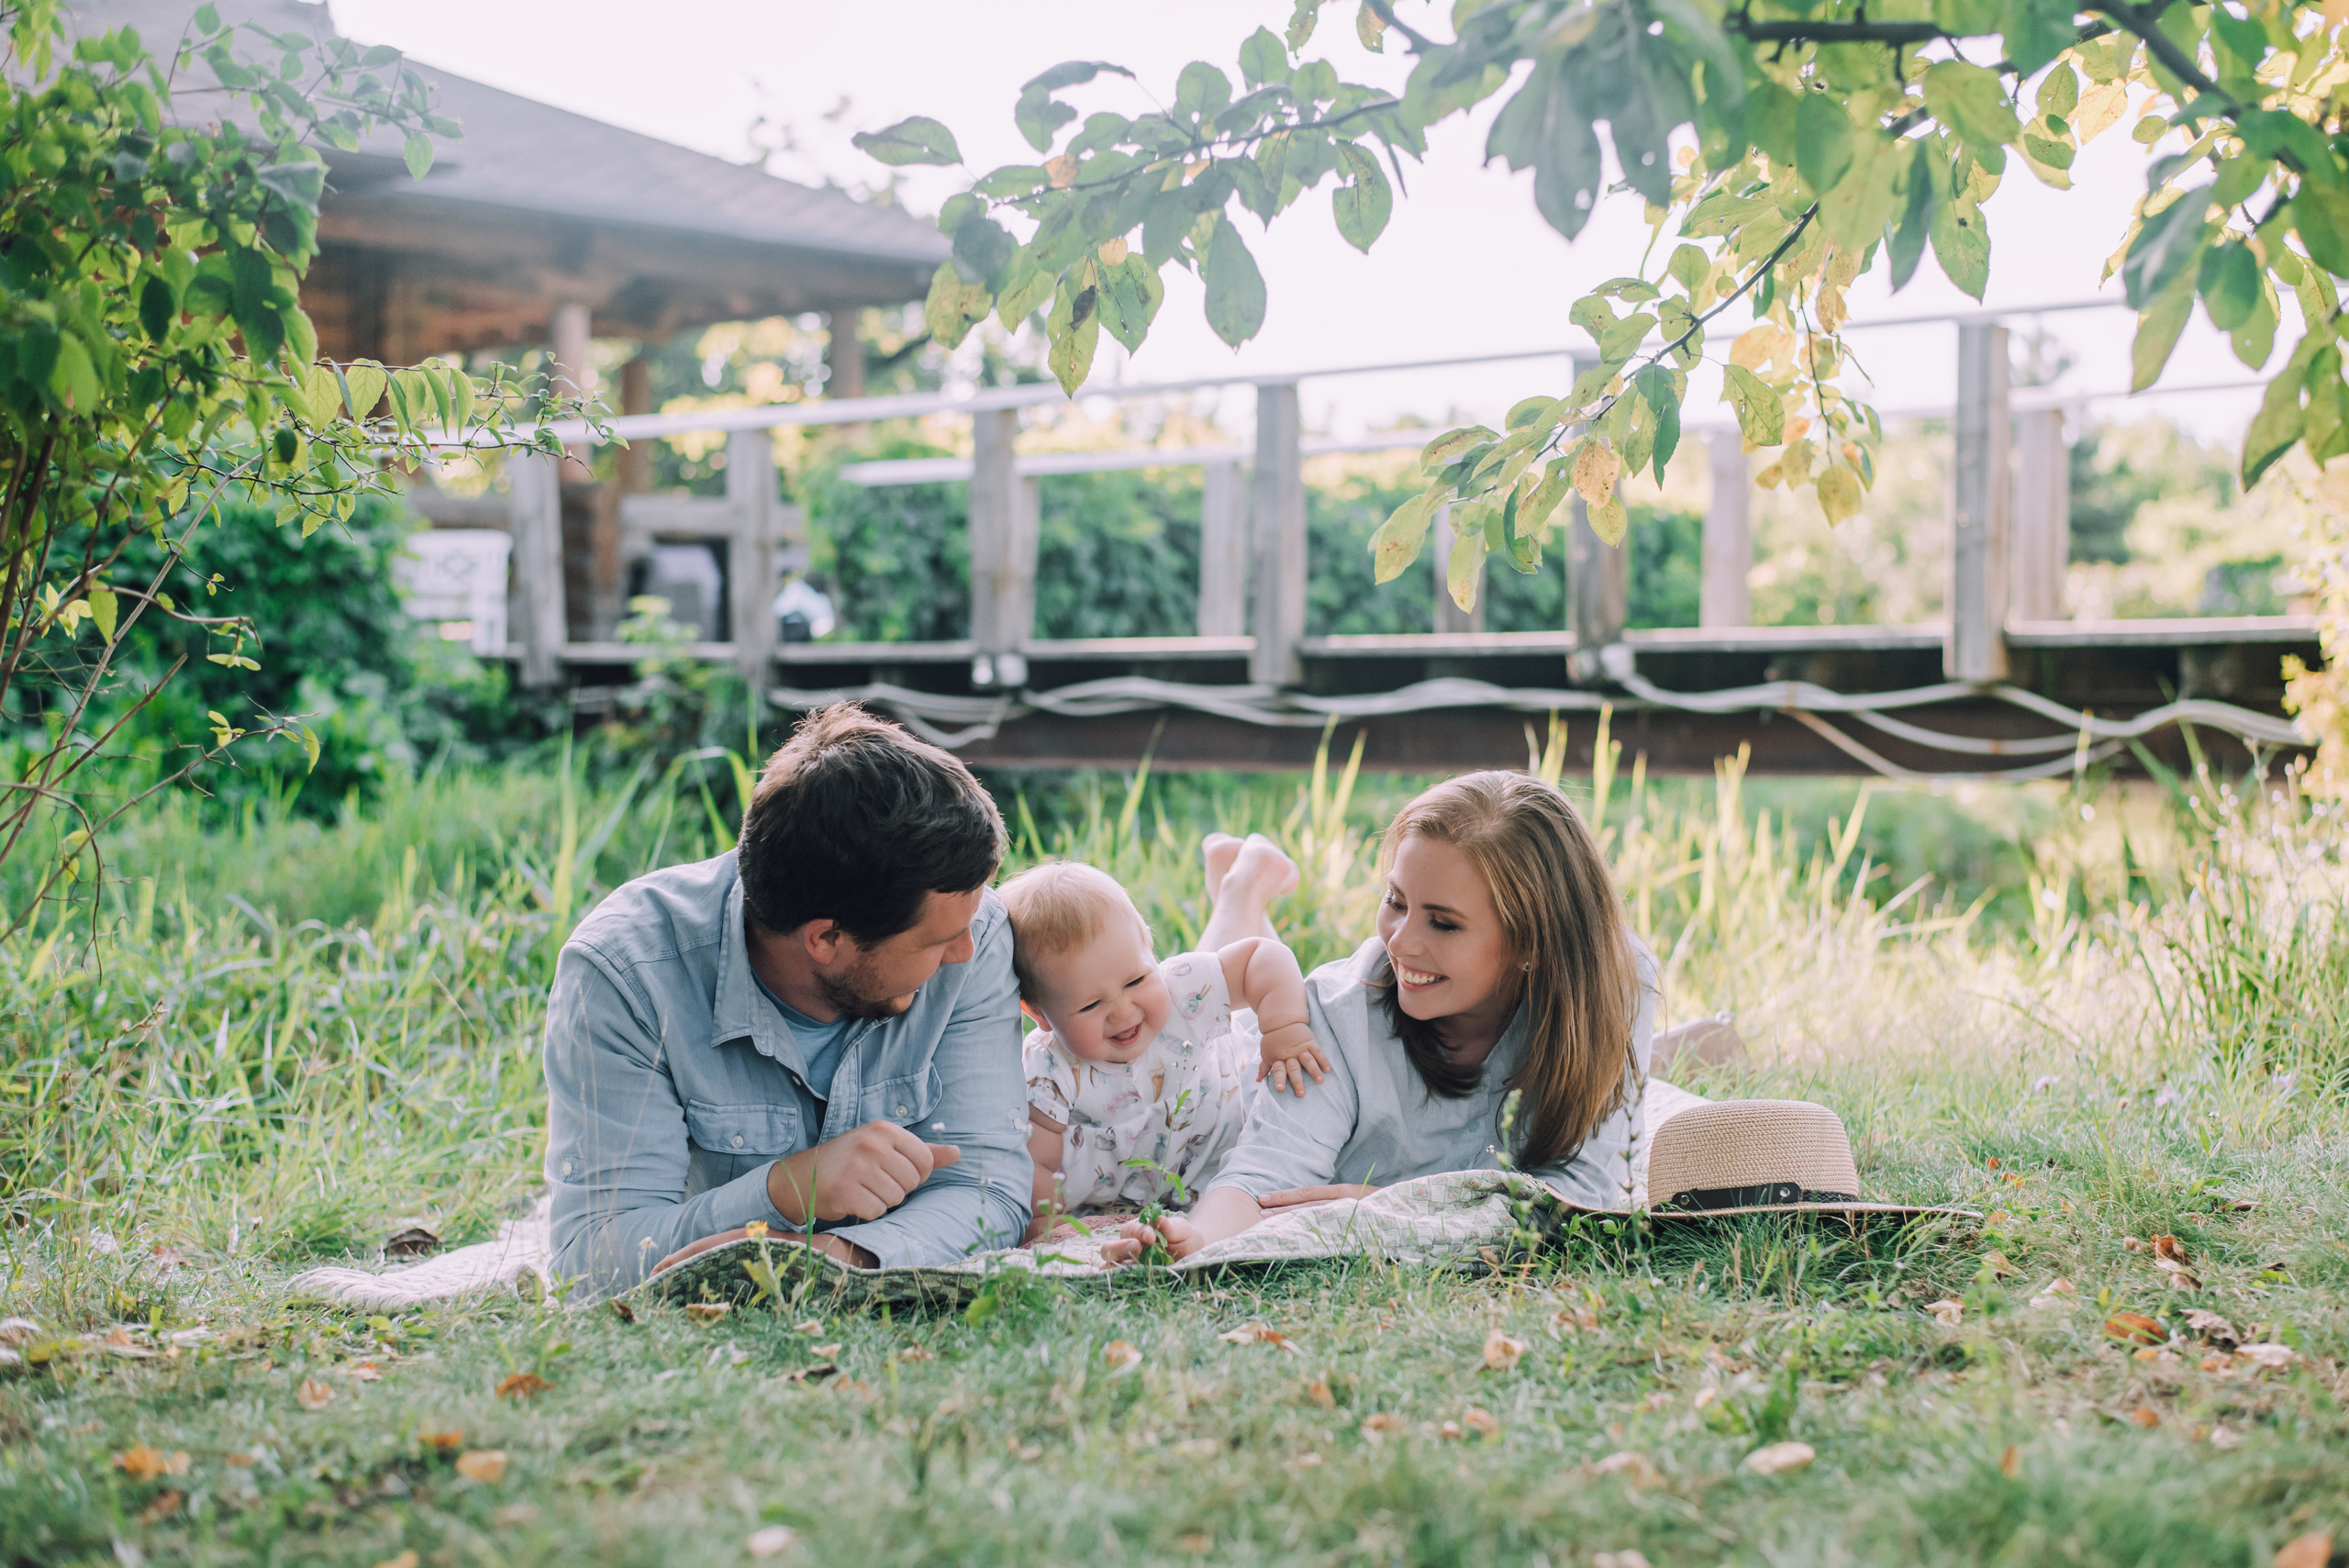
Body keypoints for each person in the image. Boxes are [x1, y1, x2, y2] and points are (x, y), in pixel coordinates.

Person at [541, 704, 1030, 1294]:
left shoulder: (970, 929)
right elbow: (592, 1260)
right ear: (825, 938)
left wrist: (839, 1256)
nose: (964, 955)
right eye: (938, 942)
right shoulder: (625, 974)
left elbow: (989, 1191)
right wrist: (785, 1193)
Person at [1103, 771, 1656, 1264]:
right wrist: (1197, 1239)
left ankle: (1244, 886)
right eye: (1396, 900)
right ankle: (1242, 886)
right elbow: (1264, 1176)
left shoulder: (1613, 983)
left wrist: (1393, 1206)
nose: (1401, 941)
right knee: (1223, 1024)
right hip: (1251, 1068)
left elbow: (1585, 1198)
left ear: (1532, 942)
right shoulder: (1336, 1013)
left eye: (1443, 923)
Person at [1004, 837, 1329, 1239]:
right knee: (1187, 994)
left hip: (1233, 1081)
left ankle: (1245, 881)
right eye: (1091, 1006)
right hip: (1150, 1167)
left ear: (1151, 951)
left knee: (1193, 991)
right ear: (1038, 1014)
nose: (1123, 1011)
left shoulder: (1178, 991)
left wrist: (1285, 1029)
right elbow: (1037, 1164)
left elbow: (1262, 958)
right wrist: (1042, 1224)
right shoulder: (1047, 1071)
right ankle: (1238, 884)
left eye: (1137, 979)